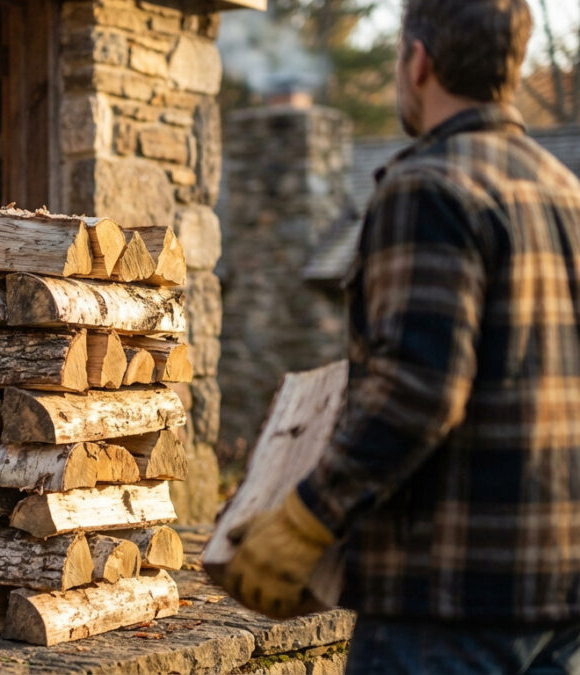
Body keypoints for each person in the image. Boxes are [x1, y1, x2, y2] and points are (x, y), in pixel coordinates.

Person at [220, 0, 580, 672]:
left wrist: (306, 516)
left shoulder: (428, 185)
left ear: (418, 61)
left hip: (446, 605)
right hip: (559, 599)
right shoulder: (566, 191)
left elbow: (418, 389)